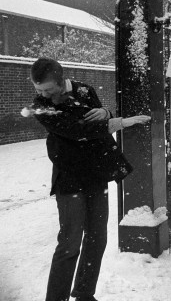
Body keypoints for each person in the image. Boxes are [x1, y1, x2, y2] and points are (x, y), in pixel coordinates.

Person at [28, 57, 150, 301]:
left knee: (97, 238)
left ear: (62, 81)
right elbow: (77, 130)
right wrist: (118, 122)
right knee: (70, 242)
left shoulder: (85, 90)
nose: (43, 94)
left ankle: (85, 293)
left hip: (95, 174)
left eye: (48, 89)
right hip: (69, 177)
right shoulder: (40, 105)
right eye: (39, 89)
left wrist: (106, 112)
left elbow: (96, 117)